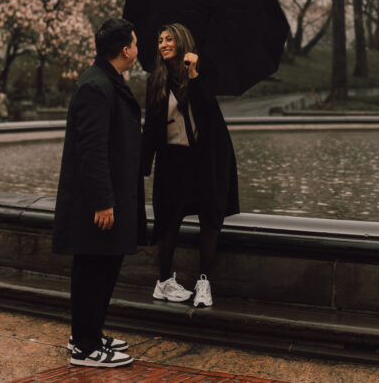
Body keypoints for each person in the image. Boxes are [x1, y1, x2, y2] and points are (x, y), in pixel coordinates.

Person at [52, 18, 146, 368]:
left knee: (102, 267)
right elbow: (91, 149)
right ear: (125, 50)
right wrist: (103, 201)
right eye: (136, 43)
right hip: (98, 201)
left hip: (110, 194)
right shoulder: (96, 86)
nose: (138, 49)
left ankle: (87, 334)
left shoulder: (106, 80)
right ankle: (86, 349)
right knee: (94, 269)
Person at [142, 22, 240, 308]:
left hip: (207, 156)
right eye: (159, 40)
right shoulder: (156, 79)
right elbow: (152, 126)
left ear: (182, 41)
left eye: (169, 38)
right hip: (174, 158)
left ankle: (204, 282)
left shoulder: (201, 72)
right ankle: (163, 282)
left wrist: (194, 76)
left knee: (210, 217)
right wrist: (143, 165)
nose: (163, 44)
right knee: (168, 217)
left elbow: (208, 111)